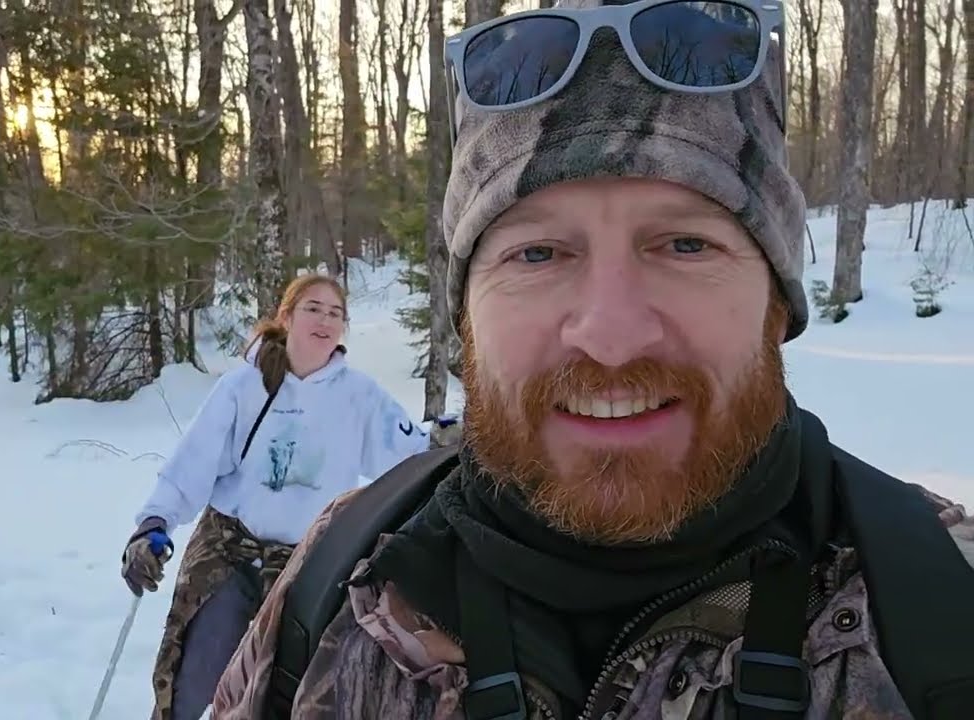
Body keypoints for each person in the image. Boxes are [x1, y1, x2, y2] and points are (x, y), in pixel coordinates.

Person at [211, 1, 974, 718]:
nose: (610, 335)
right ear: (466, 317)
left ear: (777, 302)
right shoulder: (341, 577)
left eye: (684, 244)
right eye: (537, 252)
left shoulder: (943, 598)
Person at [120, 272, 436, 720]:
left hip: (310, 565)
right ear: (286, 317)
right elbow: (191, 465)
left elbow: (410, 455)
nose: (325, 320)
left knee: (291, 693)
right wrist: (153, 523)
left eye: (335, 312)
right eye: (313, 308)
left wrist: (448, 440)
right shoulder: (241, 388)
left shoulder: (359, 397)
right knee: (197, 680)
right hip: (230, 553)